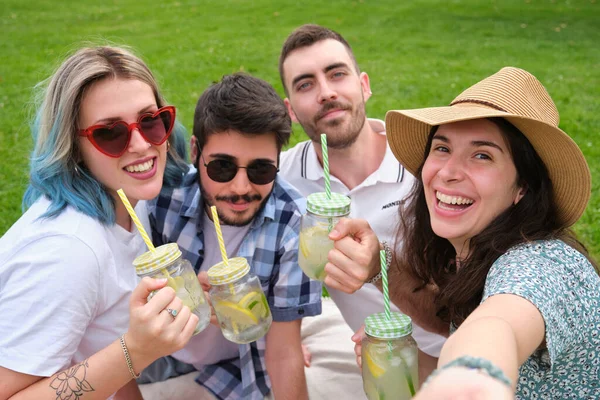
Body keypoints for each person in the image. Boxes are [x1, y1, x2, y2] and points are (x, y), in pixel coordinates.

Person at [352, 66, 600, 398]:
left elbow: (498, 325)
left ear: (522, 187)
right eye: (442, 148)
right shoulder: (475, 253)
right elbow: (463, 329)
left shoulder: (545, 265)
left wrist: (469, 374)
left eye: (482, 155)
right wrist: (403, 360)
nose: (449, 172)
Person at [0, 45, 197, 400]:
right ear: (73, 147)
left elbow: (95, 351)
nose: (140, 145)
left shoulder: (126, 201)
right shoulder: (69, 253)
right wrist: (135, 350)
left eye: (151, 121)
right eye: (110, 133)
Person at [277, 24, 447, 396]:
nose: (326, 93)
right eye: (305, 84)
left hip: (467, 350)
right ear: (290, 110)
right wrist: (273, 339)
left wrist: (379, 267)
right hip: (384, 371)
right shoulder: (283, 178)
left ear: (364, 85)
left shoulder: (424, 166)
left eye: (337, 74)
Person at [140, 73, 322, 400]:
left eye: (261, 170)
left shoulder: (295, 222)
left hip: (239, 365)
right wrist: (183, 294)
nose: (240, 189)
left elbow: (282, 354)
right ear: (196, 152)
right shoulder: (161, 200)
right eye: (222, 167)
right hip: (157, 353)